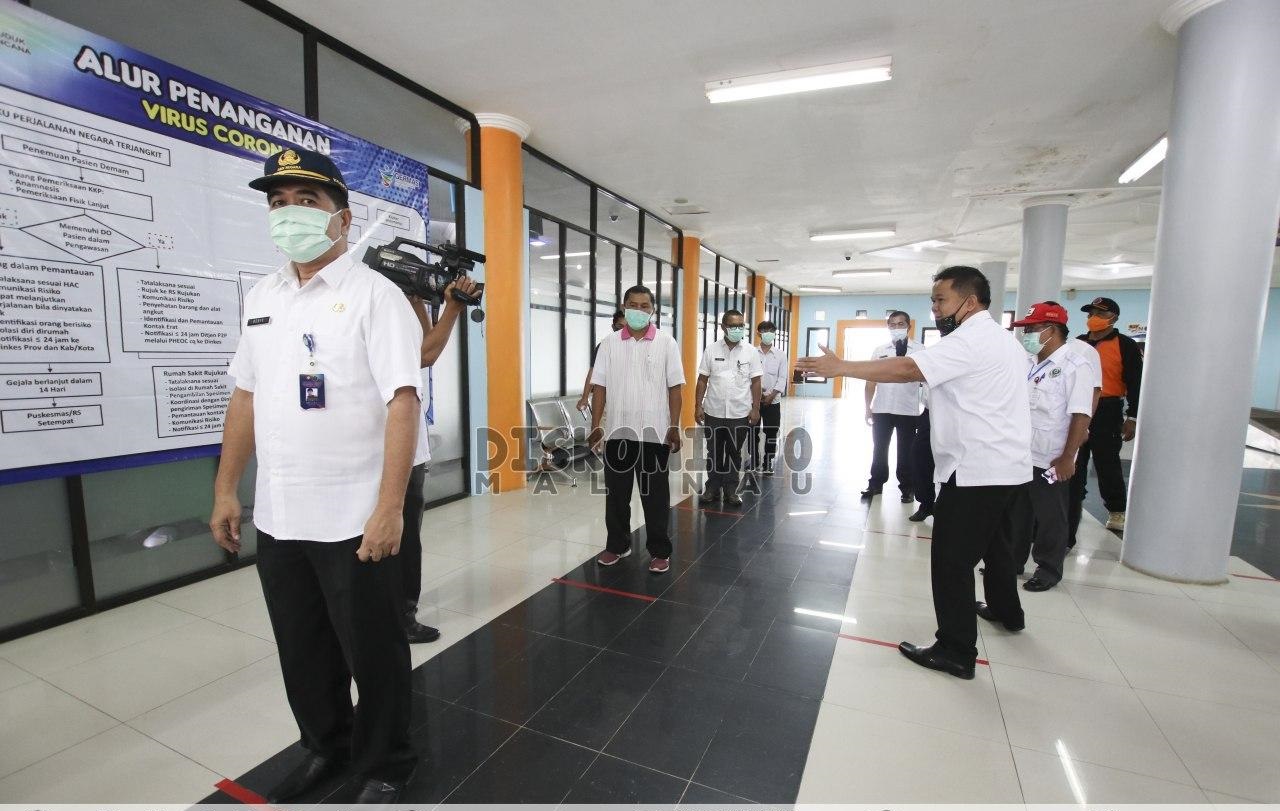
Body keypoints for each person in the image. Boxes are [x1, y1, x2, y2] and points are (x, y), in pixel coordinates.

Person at [210, 149, 421, 803]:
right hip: (280, 514)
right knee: (303, 650)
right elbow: (245, 396)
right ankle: (326, 746)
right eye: (278, 203)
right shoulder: (263, 296)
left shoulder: (374, 297)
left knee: (373, 650)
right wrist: (226, 487)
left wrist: (391, 507)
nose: (290, 214)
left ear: (343, 219)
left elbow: (403, 401)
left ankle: (387, 762)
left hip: (355, 517)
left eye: (307, 200)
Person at [797, 266, 1031, 680]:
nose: (934, 308)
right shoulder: (1002, 340)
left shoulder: (970, 340)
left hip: (975, 467)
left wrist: (841, 367)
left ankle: (956, 649)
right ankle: (1006, 611)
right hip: (1007, 465)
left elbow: (908, 370)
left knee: (951, 559)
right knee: (997, 544)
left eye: (941, 300)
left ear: (970, 302)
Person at [400, 277, 478, 644]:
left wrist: (418, 303)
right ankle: (399, 617)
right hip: (389, 452)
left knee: (407, 538)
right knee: (397, 540)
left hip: (408, 452)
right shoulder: (373, 312)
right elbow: (426, 354)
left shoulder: (394, 308)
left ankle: (402, 611)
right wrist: (453, 308)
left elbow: (425, 343)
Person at [589, 286, 684, 574]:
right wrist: (596, 427)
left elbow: (675, 388)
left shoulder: (666, 343)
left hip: (655, 433)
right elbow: (600, 388)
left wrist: (674, 427)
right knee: (616, 495)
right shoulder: (609, 343)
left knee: (654, 496)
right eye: (633, 304)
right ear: (623, 306)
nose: (638, 310)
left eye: (644, 306)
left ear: (653, 310)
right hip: (618, 432)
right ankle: (617, 545)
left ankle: (659, 551)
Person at [1010, 302, 1094, 591]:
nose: (1028, 336)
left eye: (1032, 329)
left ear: (1052, 330)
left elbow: (1081, 414)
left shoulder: (1074, 366)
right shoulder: (1032, 364)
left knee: (1050, 514)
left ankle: (1048, 568)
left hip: (1052, 458)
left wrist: (1068, 457)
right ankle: (1014, 560)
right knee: (1018, 511)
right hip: (1024, 454)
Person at [1071, 296, 1143, 534]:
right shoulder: (1078, 343)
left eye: (1100, 314)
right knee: (1075, 462)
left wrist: (1132, 417)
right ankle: (1072, 506)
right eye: (1091, 313)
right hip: (1079, 407)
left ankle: (1116, 510)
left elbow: (1135, 383)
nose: (1094, 318)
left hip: (1108, 410)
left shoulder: (1124, 345)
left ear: (1113, 318)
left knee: (1107, 464)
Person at [695, 309, 762, 507]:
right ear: (723, 327)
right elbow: (702, 379)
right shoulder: (711, 350)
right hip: (713, 411)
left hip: (739, 412)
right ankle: (713, 487)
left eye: (741, 325)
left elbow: (756, 381)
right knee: (713, 452)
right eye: (733, 326)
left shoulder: (750, 351)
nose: (738, 329)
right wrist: (697, 405)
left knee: (734, 451)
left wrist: (755, 408)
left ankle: (731, 489)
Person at [862, 310, 925, 502]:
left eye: (901, 324)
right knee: (879, 448)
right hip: (882, 409)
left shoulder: (920, 350)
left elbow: (927, 380)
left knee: (906, 451)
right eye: (893, 324)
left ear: (909, 326)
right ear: (888, 327)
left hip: (907, 409)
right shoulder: (880, 350)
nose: (897, 328)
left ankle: (907, 488)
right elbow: (870, 380)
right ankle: (876, 484)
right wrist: (867, 407)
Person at [748, 319, 789, 475]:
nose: (768, 334)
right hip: (753, 401)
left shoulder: (780, 355)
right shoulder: (751, 353)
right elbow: (748, 376)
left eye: (771, 331)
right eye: (765, 331)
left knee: (771, 431)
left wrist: (771, 395)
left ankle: (768, 461)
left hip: (773, 401)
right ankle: (754, 460)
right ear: (759, 333)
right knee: (752, 431)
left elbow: (782, 377)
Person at [575, 310, 627, 414]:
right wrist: (585, 397)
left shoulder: (638, 347)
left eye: (626, 327)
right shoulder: (604, 346)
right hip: (608, 399)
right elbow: (593, 372)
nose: (622, 330)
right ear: (613, 327)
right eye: (619, 326)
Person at [909, 387, 935, 521]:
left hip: (952, 410)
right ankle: (926, 504)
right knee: (919, 453)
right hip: (929, 411)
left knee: (950, 458)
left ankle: (944, 505)